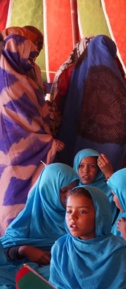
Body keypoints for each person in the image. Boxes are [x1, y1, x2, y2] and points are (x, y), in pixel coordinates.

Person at [0, 27, 63, 235]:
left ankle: (22, 240)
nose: (33, 58)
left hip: (29, 147)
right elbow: (21, 120)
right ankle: (12, 242)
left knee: (29, 197)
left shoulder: (27, 74)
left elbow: (36, 112)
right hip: (14, 149)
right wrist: (47, 141)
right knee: (13, 194)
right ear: (17, 48)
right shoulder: (9, 80)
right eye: (31, 52)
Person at [0, 164, 78, 289]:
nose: (69, 196)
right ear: (48, 190)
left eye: (74, 189)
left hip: (54, 273)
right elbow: (5, 248)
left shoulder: (75, 216)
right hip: (20, 269)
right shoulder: (29, 218)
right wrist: (24, 249)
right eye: (63, 190)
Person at [53, 35, 126, 172]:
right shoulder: (71, 70)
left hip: (85, 128)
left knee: (82, 166)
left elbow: (57, 102)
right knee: (99, 166)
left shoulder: (70, 69)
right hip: (99, 132)